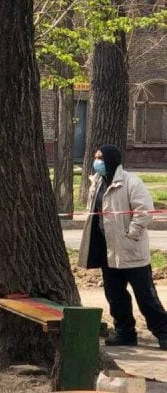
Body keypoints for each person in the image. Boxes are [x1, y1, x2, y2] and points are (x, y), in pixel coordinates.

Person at [78, 144, 167, 350]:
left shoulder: (131, 182)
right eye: (96, 157)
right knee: (115, 295)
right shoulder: (96, 183)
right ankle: (125, 332)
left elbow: (144, 211)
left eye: (100, 158)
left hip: (131, 251)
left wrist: (131, 235)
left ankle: (163, 332)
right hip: (108, 252)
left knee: (146, 296)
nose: (97, 162)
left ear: (110, 160)